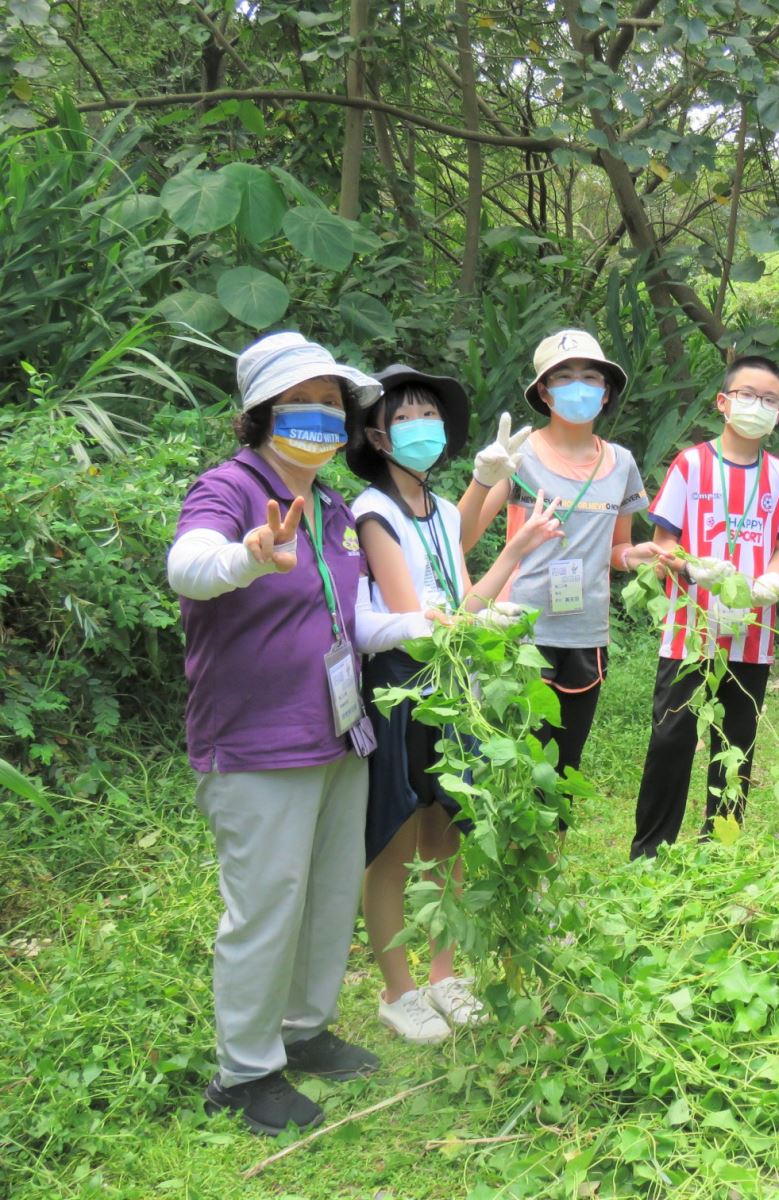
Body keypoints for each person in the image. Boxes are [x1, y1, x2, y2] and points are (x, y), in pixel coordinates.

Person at [165, 333, 441, 1135]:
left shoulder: (331, 507)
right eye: (303, 403)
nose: (321, 417)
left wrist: (439, 625)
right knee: (266, 904)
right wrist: (249, 557)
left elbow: (356, 620)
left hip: (337, 733)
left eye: (331, 404)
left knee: (324, 897)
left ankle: (305, 1030)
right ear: (260, 413)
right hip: (256, 742)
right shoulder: (229, 488)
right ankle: (244, 1073)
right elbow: (190, 564)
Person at [348, 364, 563, 1046]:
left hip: (453, 685)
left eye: (429, 416)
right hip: (403, 688)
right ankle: (397, 991)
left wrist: (515, 557)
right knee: (394, 841)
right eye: (405, 417)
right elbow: (421, 619)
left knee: (449, 837)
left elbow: (462, 599)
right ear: (379, 437)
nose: (421, 428)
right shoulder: (372, 511)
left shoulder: (440, 512)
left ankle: (444, 976)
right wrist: (481, 612)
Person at [457, 330, 657, 821]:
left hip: (586, 635)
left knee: (562, 772)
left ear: (607, 391)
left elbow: (617, 548)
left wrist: (637, 558)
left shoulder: (621, 463)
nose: (579, 388)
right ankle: (509, 882)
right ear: (544, 392)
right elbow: (457, 541)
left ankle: (545, 880)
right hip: (518, 631)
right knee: (510, 766)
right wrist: (484, 478)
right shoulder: (520, 456)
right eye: (563, 378)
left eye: (591, 377)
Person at [631, 355, 779, 859]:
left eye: (770, 400)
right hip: (690, 629)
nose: (758, 406)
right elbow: (663, 544)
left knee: (737, 745)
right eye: (748, 395)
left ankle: (720, 852)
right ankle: (649, 853)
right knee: (671, 740)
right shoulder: (691, 464)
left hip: (753, 632)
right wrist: (690, 567)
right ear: (723, 403)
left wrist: (775, 575)